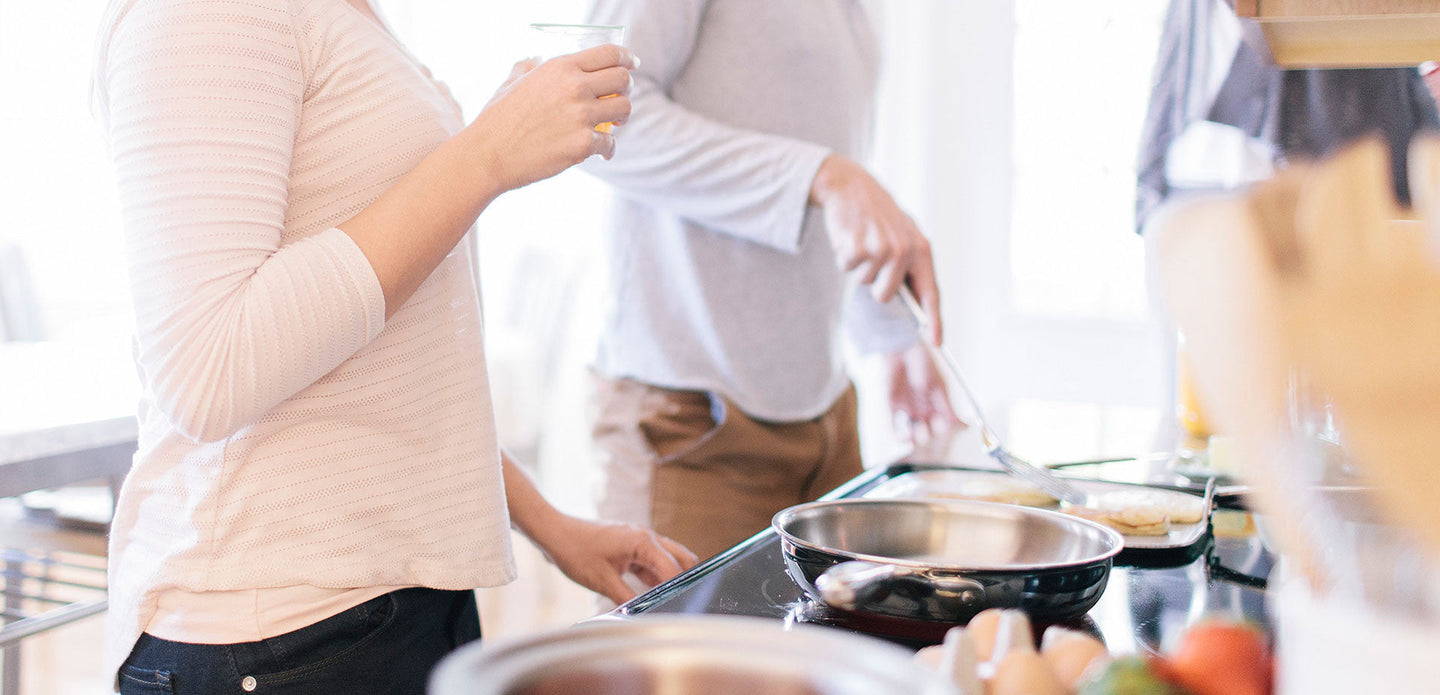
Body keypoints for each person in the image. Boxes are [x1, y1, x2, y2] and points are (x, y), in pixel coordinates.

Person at [91, 0, 695, 692]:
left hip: (382, 611)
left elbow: (381, 371)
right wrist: (486, 153)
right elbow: (208, 370)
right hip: (279, 638)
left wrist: (549, 523)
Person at [581, 0, 960, 562]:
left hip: (827, 414)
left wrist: (889, 330)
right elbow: (593, 117)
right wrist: (825, 175)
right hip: (692, 427)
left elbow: (824, 145)